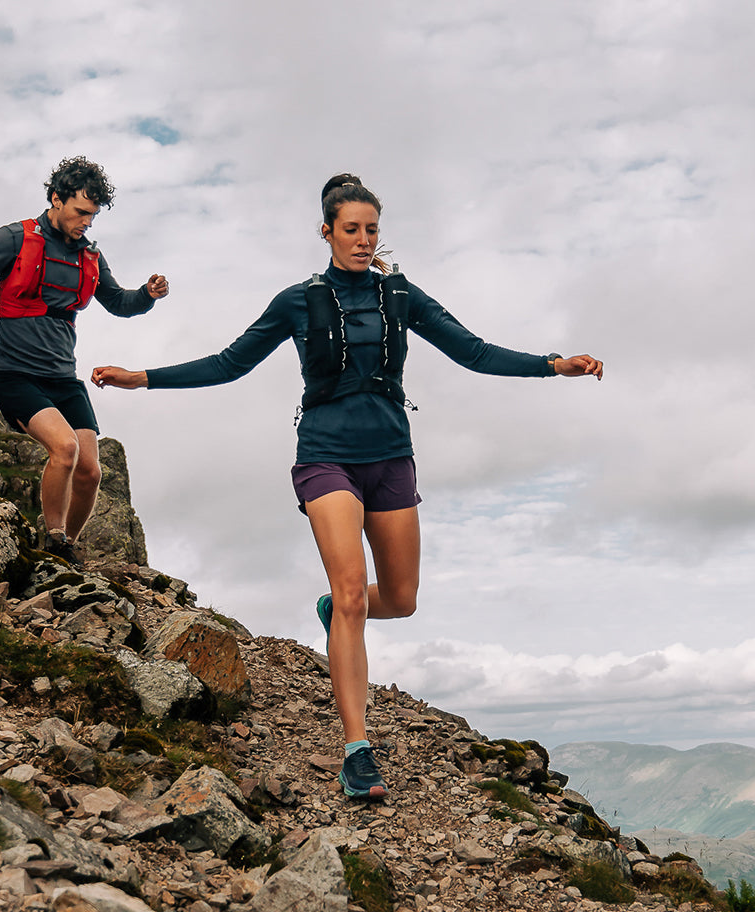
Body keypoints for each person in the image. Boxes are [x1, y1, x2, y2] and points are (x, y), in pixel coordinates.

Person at [91, 173, 602, 799]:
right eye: (351, 229)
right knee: (355, 592)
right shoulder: (298, 301)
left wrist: (551, 365)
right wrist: (141, 378)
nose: (363, 240)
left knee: (403, 598)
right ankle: (357, 751)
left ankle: (336, 614)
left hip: (391, 457)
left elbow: (471, 351)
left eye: (372, 230)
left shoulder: (401, 296)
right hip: (326, 457)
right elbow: (229, 364)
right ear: (327, 231)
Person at [0, 156, 170, 567]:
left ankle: (61, 551)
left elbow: (119, 302)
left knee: (91, 472)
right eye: (80, 212)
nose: (87, 222)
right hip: (17, 375)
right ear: (56, 199)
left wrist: (146, 294)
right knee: (64, 449)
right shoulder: (15, 237)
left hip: (63, 379)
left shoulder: (90, 255)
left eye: (93, 215)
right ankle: (52, 537)